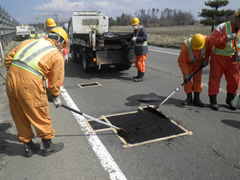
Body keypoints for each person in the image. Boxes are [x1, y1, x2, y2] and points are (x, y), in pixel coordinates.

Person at [5, 27, 68, 157]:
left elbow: (8, 60)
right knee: (39, 113)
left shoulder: (28, 42)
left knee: (19, 114)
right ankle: (48, 146)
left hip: (11, 81)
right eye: (63, 45)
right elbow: (55, 82)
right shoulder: (56, 55)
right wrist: (55, 96)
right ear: (59, 42)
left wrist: (16, 74)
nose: (62, 48)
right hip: (29, 84)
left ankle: (28, 147)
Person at [208, 10, 240, 111]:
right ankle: (213, 101)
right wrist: (226, 38)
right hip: (218, 58)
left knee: (235, 80)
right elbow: (212, 41)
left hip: (233, 59)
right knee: (214, 79)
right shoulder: (222, 27)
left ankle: (230, 100)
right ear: (236, 18)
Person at [178, 33, 213, 107]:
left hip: (199, 62)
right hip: (188, 63)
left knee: (197, 79)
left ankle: (197, 98)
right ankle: (189, 98)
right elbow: (181, 61)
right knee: (187, 80)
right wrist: (186, 73)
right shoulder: (186, 45)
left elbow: (209, 49)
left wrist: (206, 59)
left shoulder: (207, 41)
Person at [131, 17, 148, 82]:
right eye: (133, 25)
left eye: (135, 25)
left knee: (140, 63)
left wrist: (136, 39)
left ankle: (141, 76)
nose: (134, 26)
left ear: (138, 24)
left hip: (142, 50)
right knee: (137, 63)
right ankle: (138, 75)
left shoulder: (142, 30)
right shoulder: (135, 30)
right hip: (138, 50)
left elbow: (144, 38)